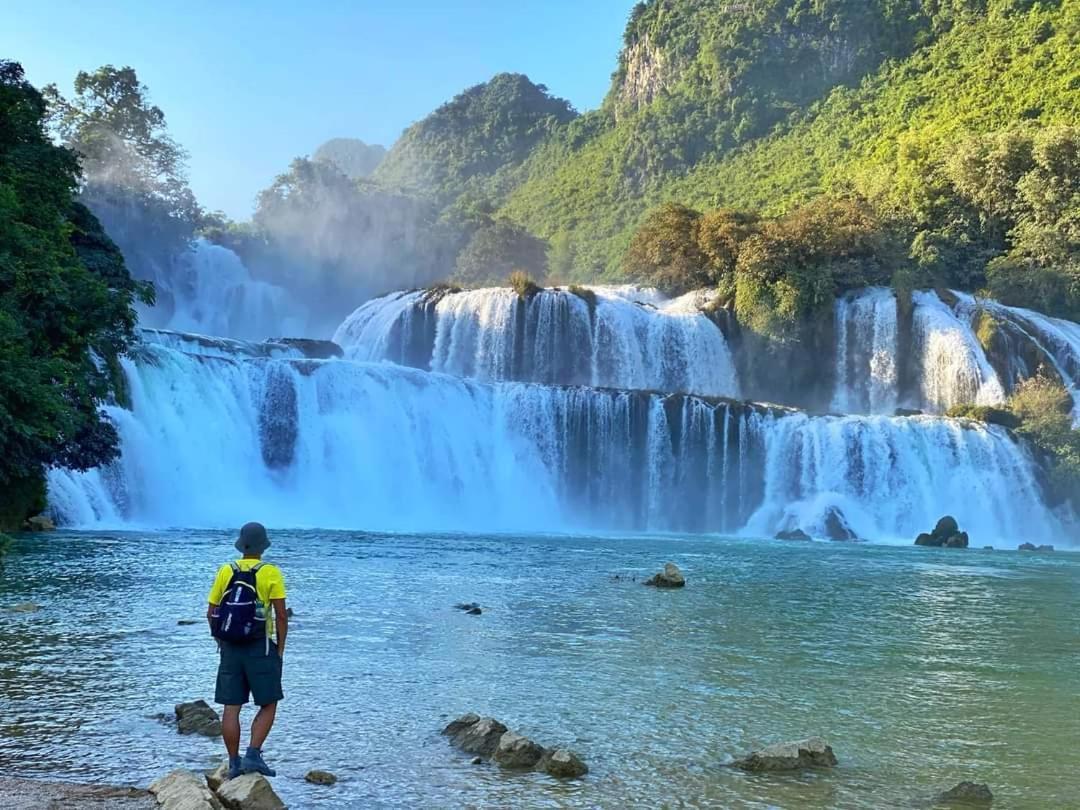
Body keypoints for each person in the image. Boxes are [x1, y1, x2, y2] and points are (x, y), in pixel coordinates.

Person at [206, 522, 288, 780]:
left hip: (230, 647)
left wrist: (220, 640)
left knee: (231, 707)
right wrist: (280, 649)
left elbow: (211, 612)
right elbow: (281, 615)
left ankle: (233, 763)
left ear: (241, 545)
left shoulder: (225, 570)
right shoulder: (270, 572)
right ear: (263, 546)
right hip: (260, 646)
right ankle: (253, 754)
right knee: (269, 702)